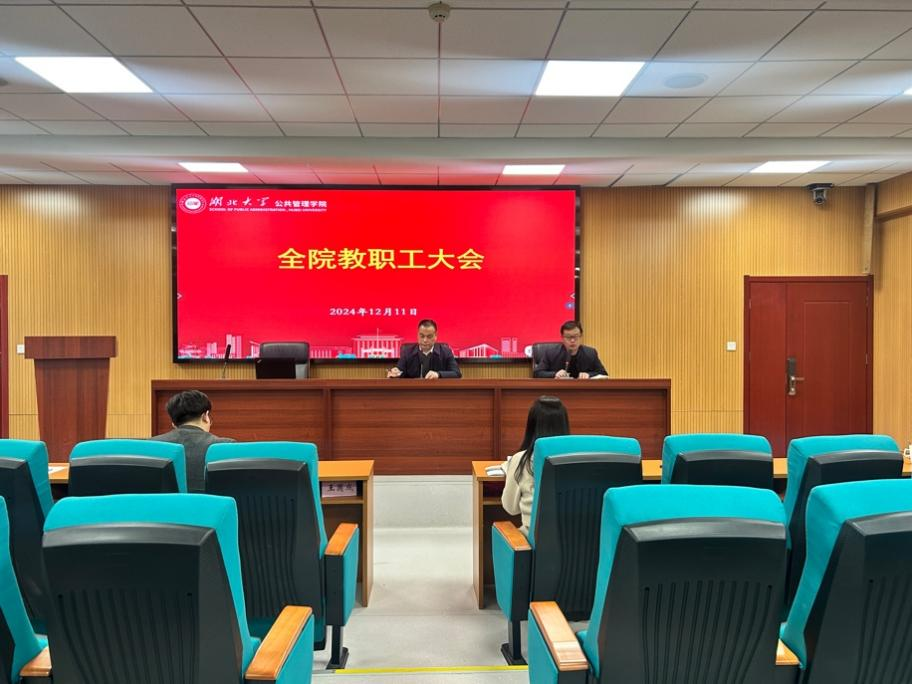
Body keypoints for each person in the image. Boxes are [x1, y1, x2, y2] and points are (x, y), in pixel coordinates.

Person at [501, 395, 571, 535]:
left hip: (534, 540)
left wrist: (511, 468)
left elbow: (510, 508)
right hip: (576, 541)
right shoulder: (577, 459)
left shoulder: (521, 460)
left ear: (532, 426)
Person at [150, 389, 235, 493]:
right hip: (210, 503)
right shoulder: (226, 446)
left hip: (165, 504)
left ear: (174, 424)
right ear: (205, 416)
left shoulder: (152, 445)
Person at [387, 319, 462, 379]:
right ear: (417, 335)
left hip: (437, 391)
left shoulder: (445, 352)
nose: (425, 340)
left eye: (429, 337)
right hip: (413, 392)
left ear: (435, 336)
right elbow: (399, 372)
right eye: (422, 336)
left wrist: (438, 374)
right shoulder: (407, 352)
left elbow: (457, 373)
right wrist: (394, 373)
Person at [533, 320, 608, 379]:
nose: (572, 340)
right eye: (568, 337)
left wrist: (588, 374)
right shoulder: (551, 353)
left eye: (576, 336)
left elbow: (603, 373)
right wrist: (555, 374)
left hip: (583, 391)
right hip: (558, 391)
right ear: (562, 338)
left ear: (581, 336)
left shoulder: (590, 353)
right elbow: (537, 373)